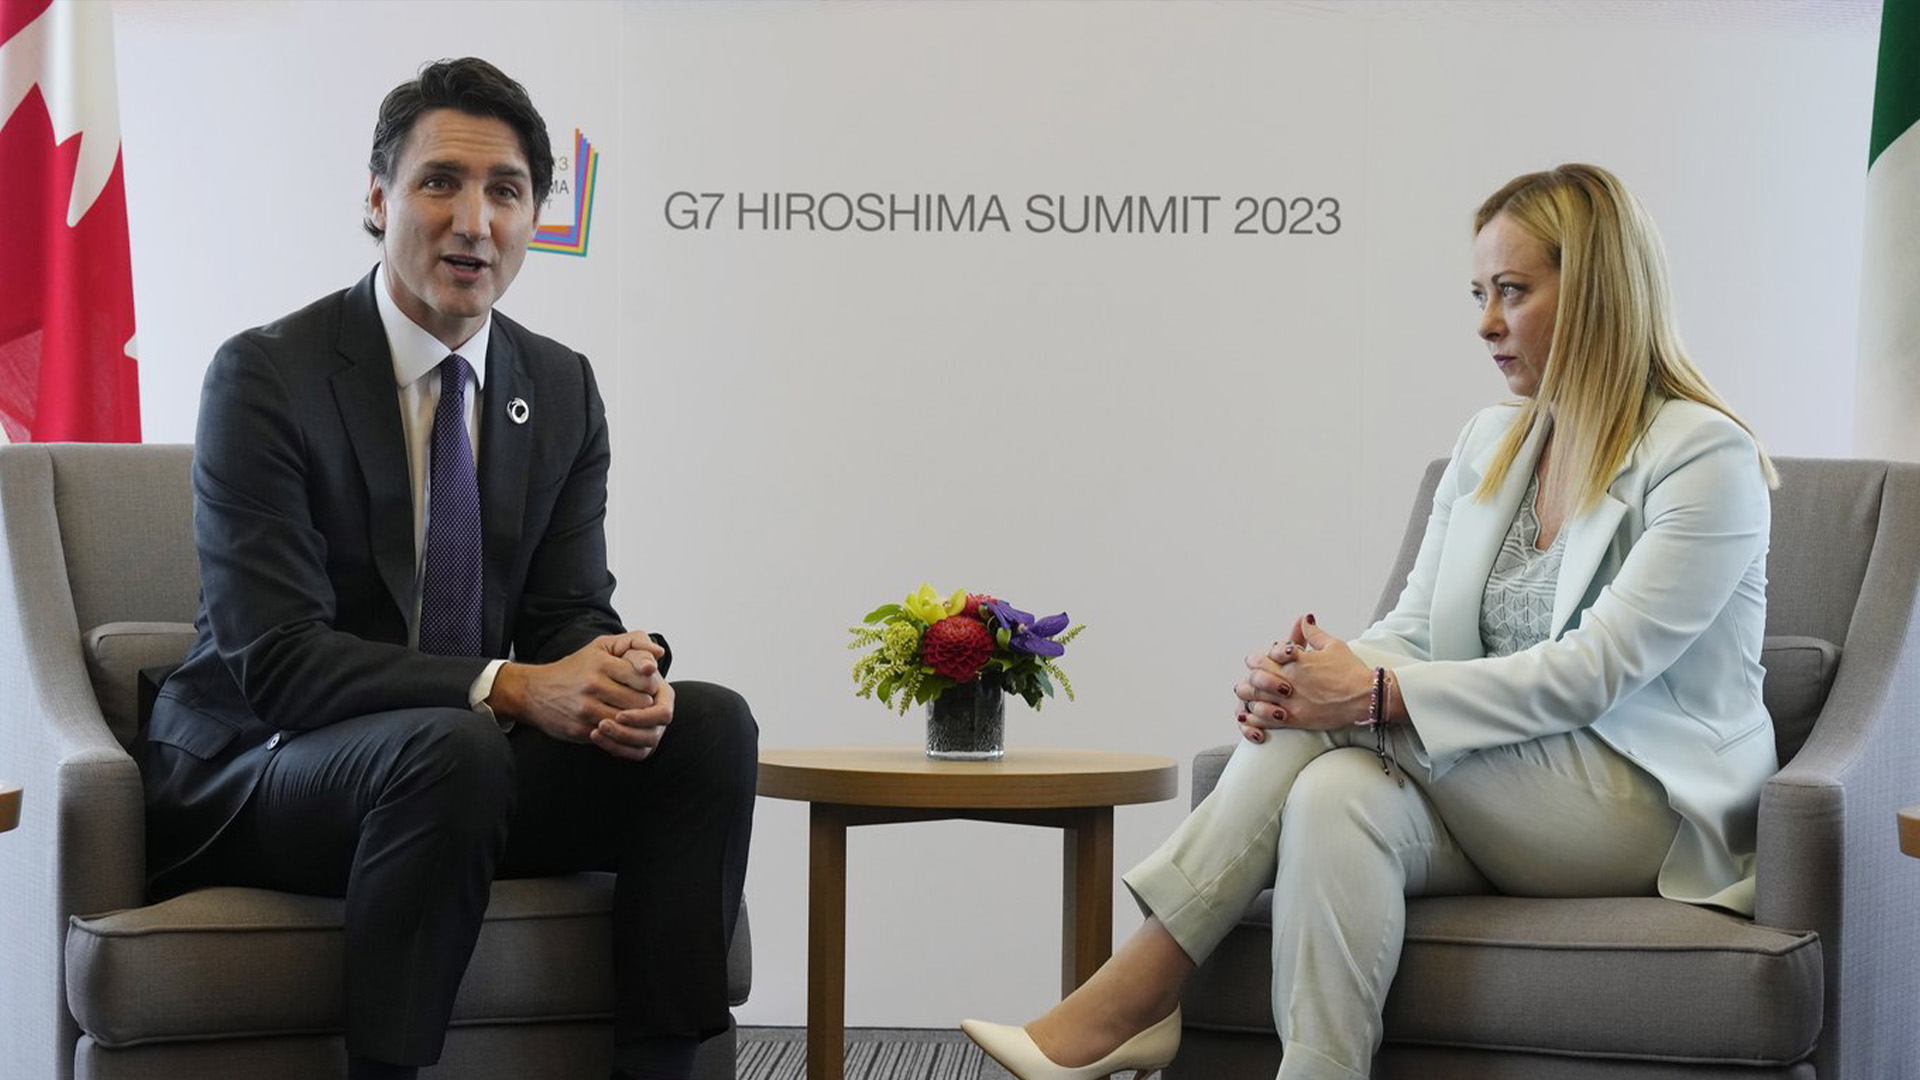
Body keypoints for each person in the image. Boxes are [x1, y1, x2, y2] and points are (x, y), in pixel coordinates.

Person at [962, 163, 1779, 1080]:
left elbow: (1596, 671)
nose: (1485, 323)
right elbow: (1418, 627)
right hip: (1500, 795)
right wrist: (1312, 675)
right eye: (1479, 293)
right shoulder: (1492, 443)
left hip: (1640, 806)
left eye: (1513, 291)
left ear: (1592, 290)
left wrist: (1370, 694)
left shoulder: (1707, 457)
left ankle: (1138, 991)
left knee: (1343, 726)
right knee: (1332, 794)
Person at [141, 58, 757, 1080]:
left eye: (505, 191)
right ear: (378, 198)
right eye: (441, 183)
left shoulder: (557, 387)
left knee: (707, 726)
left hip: (447, 777)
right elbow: (279, 660)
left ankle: (663, 1067)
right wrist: (510, 685)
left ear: (535, 220)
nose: (474, 219)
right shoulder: (266, 375)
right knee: (456, 749)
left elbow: (564, 614)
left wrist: (614, 667)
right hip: (265, 769)